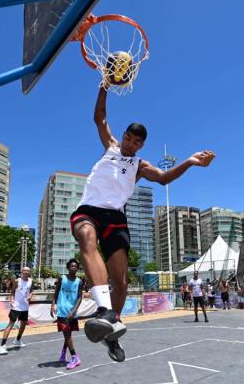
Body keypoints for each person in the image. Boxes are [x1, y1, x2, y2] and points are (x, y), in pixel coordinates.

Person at [72, 85, 215, 363]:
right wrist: (104, 85)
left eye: (135, 142)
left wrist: (189, 162)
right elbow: (99, 117)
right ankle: (104, 311)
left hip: (115, 216)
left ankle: (111, 333)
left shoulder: (140, 165)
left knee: (122, 282)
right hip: (88, 209)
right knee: (86, 237)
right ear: (123, 136)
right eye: (127, 138)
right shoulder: (110, 147)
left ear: (141, 145)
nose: (129, 144)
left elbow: (163, 178)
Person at [51, 259, 83, 369]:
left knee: (68, 333)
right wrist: (53, 305)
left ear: (77, 268)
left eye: (75, 266)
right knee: (66, 333)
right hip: (62, 310)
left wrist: (74, 311)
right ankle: (75, 357)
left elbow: (80, 297)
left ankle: (64, 352)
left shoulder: (79, 281)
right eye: (71, 266)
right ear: (68, 267)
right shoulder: (62, 278)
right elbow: (56, 292)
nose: (73, 268)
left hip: (72, 311)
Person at [0, 267, 33, 355]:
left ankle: (17, 340)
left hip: (25, 306)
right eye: (24, 270)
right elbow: (13, 291)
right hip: (16, 306)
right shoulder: (17, 281)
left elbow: (31, 291)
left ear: (29, 272)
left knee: (23, 324)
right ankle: (2, 346)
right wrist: (12, 299)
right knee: (11, 324)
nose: (26, 272)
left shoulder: (31, 281)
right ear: (22, 272)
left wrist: (30, 296)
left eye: (28, 270)